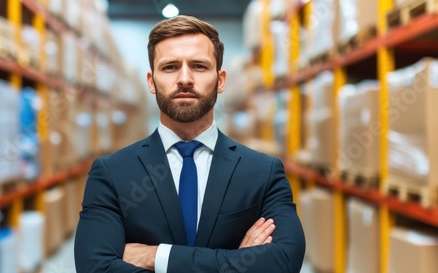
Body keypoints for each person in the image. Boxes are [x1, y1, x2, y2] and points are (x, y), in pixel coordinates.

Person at [74, 15, 305, 272]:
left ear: (221, 80)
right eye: (170, 67)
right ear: (151, 81)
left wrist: (157, 257)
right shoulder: (112, 173)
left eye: (199, 66)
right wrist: (235, 261)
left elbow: (284, 262)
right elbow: (94, 267)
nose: (185, 79)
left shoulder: (263, 173)